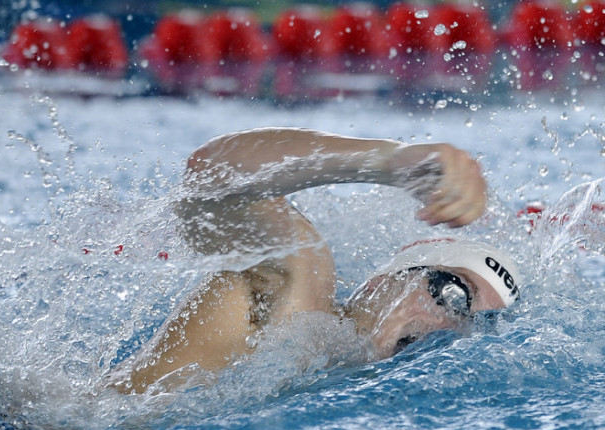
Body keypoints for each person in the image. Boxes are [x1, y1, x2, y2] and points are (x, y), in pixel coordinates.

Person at [102, 127, 522, 394]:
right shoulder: (299, 298)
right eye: (451, 294)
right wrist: (387, 162)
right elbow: (210, 177)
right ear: (381, 282)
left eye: (476, 323)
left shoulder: (348, 384)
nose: (451, 327)